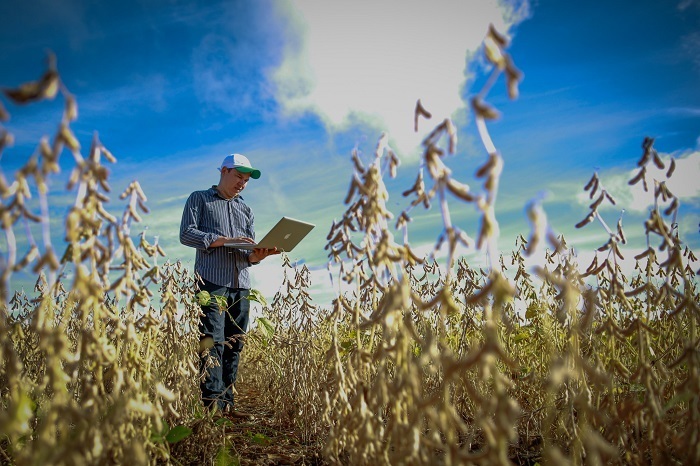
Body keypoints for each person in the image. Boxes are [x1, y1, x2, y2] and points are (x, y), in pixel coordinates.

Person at [179, 153, 279, 418]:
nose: (242, 184)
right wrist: (222, 239)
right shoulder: (199, 199)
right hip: (211, 282)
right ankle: (212, 408)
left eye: (246, 180)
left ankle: (228, 405)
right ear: (223, 171)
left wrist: (257, 256)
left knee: (235, 344)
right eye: (238, 177)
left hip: (241, 284)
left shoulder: (246, 209)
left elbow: (248, 253)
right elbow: (186, 234)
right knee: (213, 343)